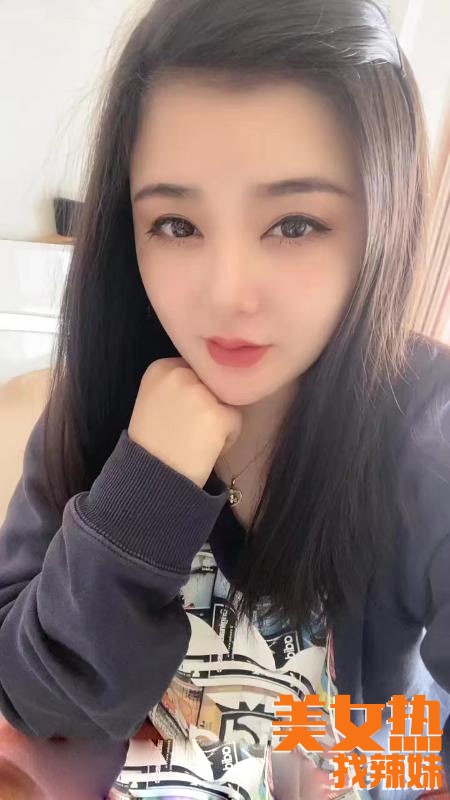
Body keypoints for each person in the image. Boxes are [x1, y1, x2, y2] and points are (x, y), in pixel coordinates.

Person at [0, 0, 449, 798]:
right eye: (176, 225)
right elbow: (30, 697)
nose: (227, 294)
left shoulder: (426, 428)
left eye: (296, 224)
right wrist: (142, 495)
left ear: (381, 221)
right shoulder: (97, 400)